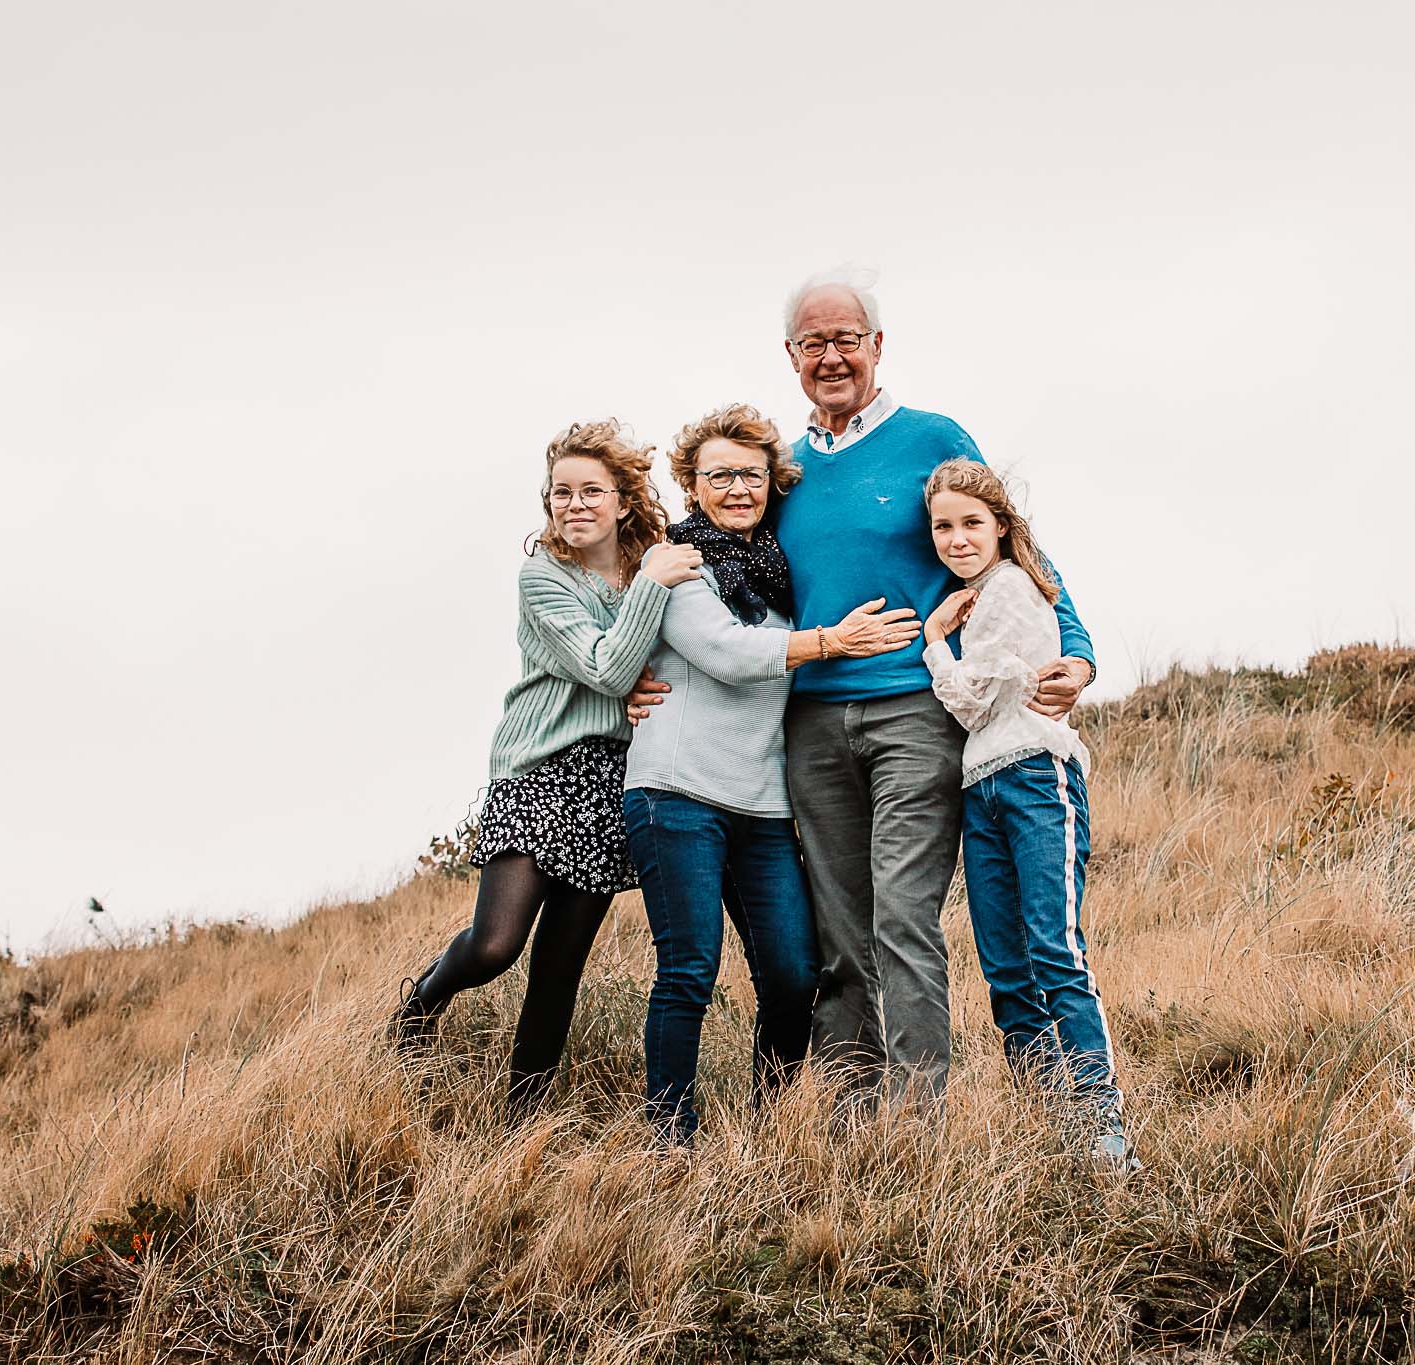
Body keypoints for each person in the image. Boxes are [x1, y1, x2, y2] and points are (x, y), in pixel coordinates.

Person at [626, 268, 1100, 1103]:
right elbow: (737, 590)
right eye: (815, 343)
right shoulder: (789, 474)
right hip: (808, 728)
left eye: (848, 338)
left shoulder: (930, 436)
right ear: (791, 356)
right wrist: (633, 672)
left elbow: (1013, 539)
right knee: (840, 935)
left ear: (878, 346)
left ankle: (918, 1119)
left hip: (915, 712)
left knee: (902, 917)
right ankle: (853, 1117)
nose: (833, 356)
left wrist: (1079, 649)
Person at [623, 403, 921, 1143]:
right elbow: (726, 652)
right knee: (689, 972)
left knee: (792, 976)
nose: (736, 488)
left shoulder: (778, 580)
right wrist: (833, 641)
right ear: (692, 484)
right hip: (677, 795)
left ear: (770, 482)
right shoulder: (678, 566)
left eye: (751, 474)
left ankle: (769, 1125)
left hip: (761, 805)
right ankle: (670, 1136)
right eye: (719, 474)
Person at [392, 420, 702, 1113]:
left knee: (559, 969)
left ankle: (518, 1120)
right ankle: (421, 1001)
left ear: (623, 499)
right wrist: (650, 587)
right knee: (498, 944)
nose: (575, 503)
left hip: (611, 781)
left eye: (592, 489)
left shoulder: (652, 559)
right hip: (538, 770)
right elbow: (609, 665)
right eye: (561, 492)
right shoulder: (543, 576)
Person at [919, 460, 1134, 1168]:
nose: (956, 538)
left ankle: (1103, 1127)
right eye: (942, 526)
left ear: (1002, 528)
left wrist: (934, 644)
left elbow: (975, 702)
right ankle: (1051, 1125)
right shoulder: (976, 595)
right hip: (980, 786)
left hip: (1036, 778)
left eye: (971, 523)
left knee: (1053, 949)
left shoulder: (1009, 588)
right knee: (1005, 966)